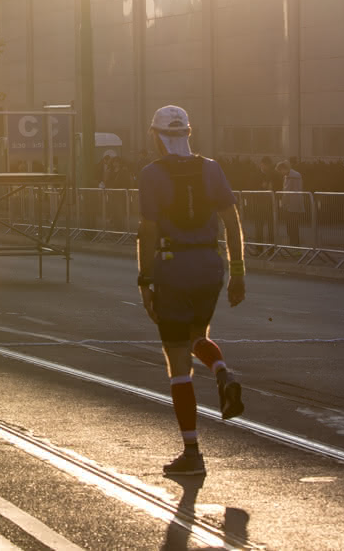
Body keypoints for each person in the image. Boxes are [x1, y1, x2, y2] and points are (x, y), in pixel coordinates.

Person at [136, 105, 247, 479]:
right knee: (198, 336)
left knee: (177, 361)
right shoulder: (211, 168)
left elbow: (148, 231)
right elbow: (232, 222)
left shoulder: (152, 175)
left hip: (173, 267)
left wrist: (145, 280)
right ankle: (222, 371)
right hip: (209, 266)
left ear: (156, 136)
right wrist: (238, 273)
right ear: (188, 133)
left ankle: (192, 450)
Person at [276, 160, 305, 246]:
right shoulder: (287, 176)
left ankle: (295, 245)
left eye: (280, 170)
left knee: (293, 226)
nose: (281, 173)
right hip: (289, 205)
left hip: (293, 205)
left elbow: (291, 191)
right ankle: (293, 244)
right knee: (290, 226)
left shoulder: (294, 176)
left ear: (284, 168)